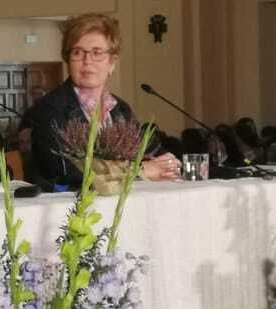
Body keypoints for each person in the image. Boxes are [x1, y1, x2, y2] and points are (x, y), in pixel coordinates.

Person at [22, 13, 180, 188]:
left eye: (97, 52)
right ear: (68, 60)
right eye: (77, 52)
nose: (87, 61)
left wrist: (167, 162)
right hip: (70, 208)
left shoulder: (120, 109)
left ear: (112, 63)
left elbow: (149, 149)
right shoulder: (49, 108)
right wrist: (139, 171)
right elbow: (66, 172)